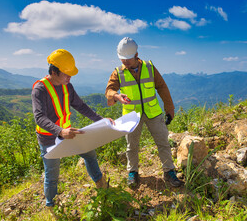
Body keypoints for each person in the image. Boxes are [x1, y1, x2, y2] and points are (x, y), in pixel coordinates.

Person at [32, 49, 113, 207]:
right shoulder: (39, 89)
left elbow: (81, 106)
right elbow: (39, 118)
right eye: (66, 74)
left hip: (67, 133)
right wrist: (60, 131)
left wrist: (101, 121)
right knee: (52, 174)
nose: (69, 78)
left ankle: (102, 186)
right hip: (49, 138)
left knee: (89, 154)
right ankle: (51, 205)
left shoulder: (67, 86)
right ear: (54, 72)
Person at [105, 37, 184, 188]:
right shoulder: (118, 72)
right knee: (132, 146)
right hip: (132, 116)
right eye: (123, 59)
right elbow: (109, 90)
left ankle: (169, 172)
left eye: (128, 59)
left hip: (153, 112)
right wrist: (116, 96)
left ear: (136, 55)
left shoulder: (149, 67)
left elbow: (162, 87)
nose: (125, 62)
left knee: (163, 143)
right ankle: (133, 172)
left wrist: (170, 108)